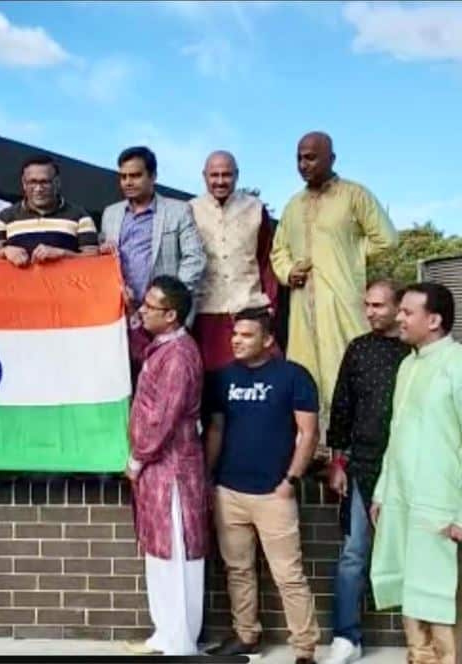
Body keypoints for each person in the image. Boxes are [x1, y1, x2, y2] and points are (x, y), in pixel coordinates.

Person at [371, 283, 462, 664]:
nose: (399, 318)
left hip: (443, 510)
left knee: (443, 601)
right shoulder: (409, 365)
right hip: (403, 502)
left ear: (435, 319)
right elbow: (397, 436)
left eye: (408, 312)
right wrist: (381, 493)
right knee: (413, 596)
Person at [204, 308, 320, 663]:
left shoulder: (293, 376)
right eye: (235, 334)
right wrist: (209, 478)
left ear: (268, 340)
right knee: (238, 570)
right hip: (230, 490)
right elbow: (217, 430)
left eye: (247, 335)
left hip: (274, 492)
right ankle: (246, 636)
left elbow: (308, 433)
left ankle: (304, 649)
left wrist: (290, 480)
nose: (237, 340)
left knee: (289, 575)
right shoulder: (222, 378)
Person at [270, 133, 397, 423]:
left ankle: (347, 450)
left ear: (332, 159)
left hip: (341, 302)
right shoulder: (293, 205)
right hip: (302, 307)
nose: (304, 164)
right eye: (299, 158)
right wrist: (289, 271)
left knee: (346, 368)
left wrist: (351, 255)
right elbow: (279, 251)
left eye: (311, 157)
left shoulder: (354, 195)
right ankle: (313, 450)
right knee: (304, 375)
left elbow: (387, 239)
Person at [323, 279, 410, 664]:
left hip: (409, 470)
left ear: (398, 307)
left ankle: (420, 639)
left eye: (378, 305)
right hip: (362, 465)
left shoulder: (416, 353)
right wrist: (337, 462)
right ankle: (346, 637)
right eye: (367, 306)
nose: (371, 312)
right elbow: (342, 406)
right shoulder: (358, 350)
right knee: (354, 554)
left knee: (414, 554)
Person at [123, 276, 207, 656]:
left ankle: (180, 641)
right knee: (159, 553)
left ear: (171, 315)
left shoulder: (179, 356)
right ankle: (165, 633)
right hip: (160, 468)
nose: (143, 310)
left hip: (171, 468)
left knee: (175, 555)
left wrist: (138, 457)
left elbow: (164, 417)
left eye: (149, 306)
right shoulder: (164, 347)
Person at [101, 146, 206, 364]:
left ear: (153, 176)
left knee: (165, 379)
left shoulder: (178, 211)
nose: (128, 182)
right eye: (123, 177)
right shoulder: (110, 214)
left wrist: (170, 302)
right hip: (122, 314)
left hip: (162, 317)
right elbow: (104, 261)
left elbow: (195, 258)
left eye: (136, 175)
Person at [189, 151, 280, 384]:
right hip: (206, 310)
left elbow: (266, 258)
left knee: (255, 380)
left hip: (249, 307)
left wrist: (270, 304)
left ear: (237, 176)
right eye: (214, 175)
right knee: (209, 384)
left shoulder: (255, 208)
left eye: (227, 175)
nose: (220, 181)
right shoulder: (190, 210)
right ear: (204, 176)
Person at [0, 155, 99, 266]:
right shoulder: (4, 218)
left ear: (57, 183)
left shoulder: (80, 217)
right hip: (17, 285)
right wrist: (5, 251)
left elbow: (95, 259)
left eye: (45, 182)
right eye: (32, 182)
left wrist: (62, 253)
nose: (38, 189)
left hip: (65, 284)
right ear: (24, 184)